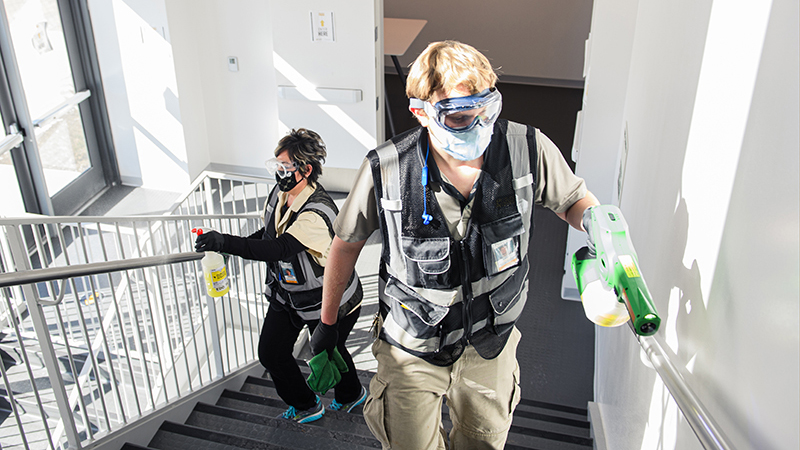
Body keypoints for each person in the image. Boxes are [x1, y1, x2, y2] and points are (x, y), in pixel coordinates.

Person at [310, 41, 600, 449]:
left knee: (483, 442)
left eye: (489, 108)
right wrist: (327, 325)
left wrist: (599, 224)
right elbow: (345, 245)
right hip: (411, 349)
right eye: (462, 115)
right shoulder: (387, 169)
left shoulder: (525, 148)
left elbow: (572, 200)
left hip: (490, 345)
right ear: (421, 112)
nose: (481, 124)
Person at [195, 128, 367, 423]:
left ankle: (351, 395)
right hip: (288, 296)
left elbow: (279, 247)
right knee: (271, 353)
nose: (279, 173)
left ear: (306, 170)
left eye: (285, 167)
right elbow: (269, 234)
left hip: (329, 300)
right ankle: (306, 404)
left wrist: (225, 241)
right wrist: (227, 249)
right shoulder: (282, 192)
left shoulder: (316, 212)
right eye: (276, 166)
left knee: (330, 351)